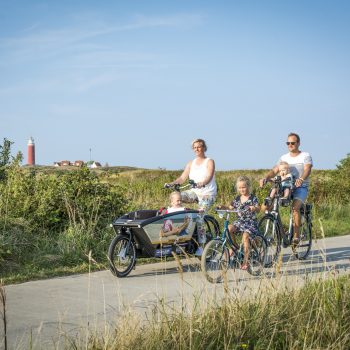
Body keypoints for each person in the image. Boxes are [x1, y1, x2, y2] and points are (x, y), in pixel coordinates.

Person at [165, 138, 217, 255]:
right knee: (177, 197)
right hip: (194, 192)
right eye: (194, 147)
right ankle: (181, 230)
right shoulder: (191, 163)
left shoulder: (209, 161)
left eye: (199, 146)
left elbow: (209, 176)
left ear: (204, 147)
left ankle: (202, 246)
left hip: (207, 194)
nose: (196, 149)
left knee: (199, 217)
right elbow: (182, 178)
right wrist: (172, 184)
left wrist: (202, 183)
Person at [259, 132, 313, 244]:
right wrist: (265, 178)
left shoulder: (305, 155)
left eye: (292, 143)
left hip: (299, 186)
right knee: (265, 207)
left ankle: (296, 234)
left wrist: (301, 179)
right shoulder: (284, 157)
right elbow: (274, 170)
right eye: (288, 143)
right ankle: (279, 230)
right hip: (283, 186)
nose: (290, 145)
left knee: (295, 207)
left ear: (298, 143)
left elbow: (307, 169)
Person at [219, 176, 260, 270]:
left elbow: (258, 208)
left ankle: (246, 261)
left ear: (248, 187)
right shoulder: (237, 199)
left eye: (244, 187)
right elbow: (230, 207)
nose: (242, 189)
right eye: (240, 188)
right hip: (240, 222)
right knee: (229, 228)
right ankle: (234, 246)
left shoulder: (253, 198)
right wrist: (222, 207)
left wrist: (254, 208)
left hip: (250, 223)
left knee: (245, 236)